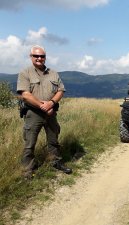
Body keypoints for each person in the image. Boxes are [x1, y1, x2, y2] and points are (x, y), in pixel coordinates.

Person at [17, 45, 72, 179]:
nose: (39, 58)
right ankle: (28, 170)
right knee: (30, 143)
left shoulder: (53, 73)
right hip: (33, 113)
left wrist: (51, 103)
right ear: (31, 57)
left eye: (42, 56)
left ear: (45, 57)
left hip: (51, 112)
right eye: (36, 56)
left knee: (53, 139)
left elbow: (60, 91)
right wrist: (43, 106)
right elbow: (25, 95)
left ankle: (56, 162)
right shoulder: (25, 73)